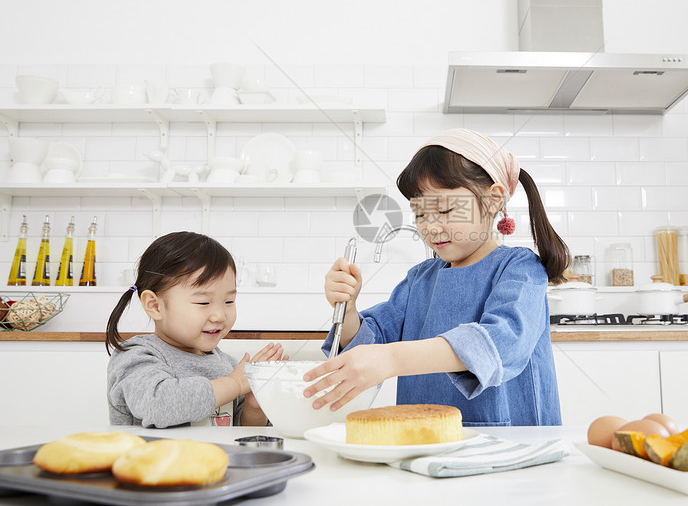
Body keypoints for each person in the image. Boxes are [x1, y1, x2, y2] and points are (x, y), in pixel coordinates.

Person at [304, 128, 570, 426]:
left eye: (444, 210)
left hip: (508, 444)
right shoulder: (420, 279)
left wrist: (391, 359)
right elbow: (372, 341)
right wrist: (348, 308)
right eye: (419, 214)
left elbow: (503, 341)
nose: (429, 226)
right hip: (423, 439)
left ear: (493, 200)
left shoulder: (519, 268)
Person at [105, 231, 286, 428]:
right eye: (203, 302)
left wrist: (254, 409)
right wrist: (234, 384)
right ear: (155, 306)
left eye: (229, 301)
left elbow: (241, 435)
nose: (219, 315)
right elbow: (158, 405)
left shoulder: (228, 365)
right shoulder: (137, 356)